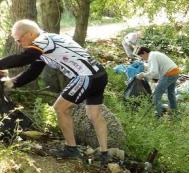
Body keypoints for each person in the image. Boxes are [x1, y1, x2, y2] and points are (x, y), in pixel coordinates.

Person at [0, 19, 109, 164]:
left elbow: (24, 59)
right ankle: (105, 153)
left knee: (60, 108)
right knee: (94, 114)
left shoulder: (43, 39)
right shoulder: (44, 44)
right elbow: (33, 72)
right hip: (99, 75)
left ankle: (71, 149)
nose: (19, 44)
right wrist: (10, 83)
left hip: (86, 76)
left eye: (19, 40)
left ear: (31, 33)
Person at [135, 47, 180, 118]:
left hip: (169, 74)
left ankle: (159, 115)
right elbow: (155, 73)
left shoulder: (152, 56)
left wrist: (143, 74)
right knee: (170, 94)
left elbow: (154, 72)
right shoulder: (155, 54)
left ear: (145, 52)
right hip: (175, 71)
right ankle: (174, 113)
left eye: (141, 56)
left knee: (156, 95)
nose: (142, 58)